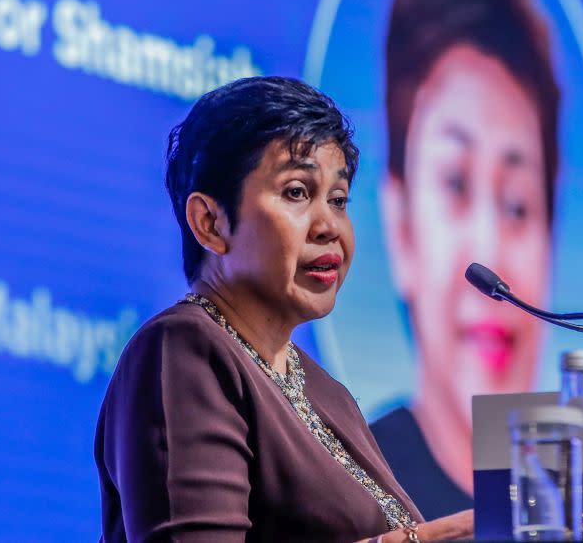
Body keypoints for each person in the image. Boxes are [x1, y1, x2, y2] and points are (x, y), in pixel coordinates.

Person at [94, 77, 473, 543]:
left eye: (338, 200)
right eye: (296, 192)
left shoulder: (326, 392)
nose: (329, 226)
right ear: (209, 223)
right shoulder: (185, 351)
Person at [371, 0, 562, 519]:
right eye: (455, 185)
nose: (490, 250)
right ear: (401, 227)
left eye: (518, 204)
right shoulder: (349, 492)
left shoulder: (581, 507)